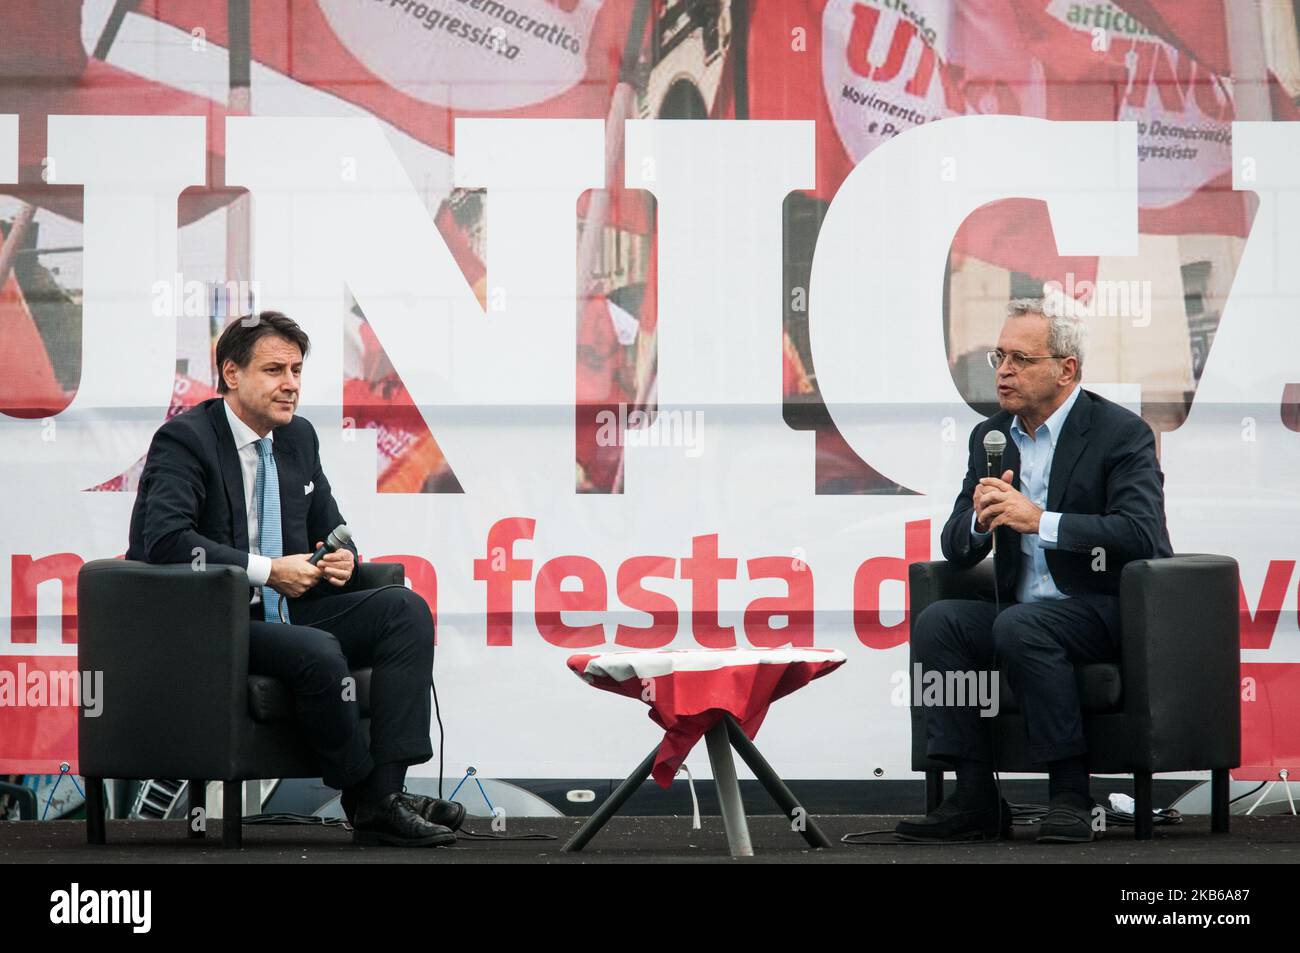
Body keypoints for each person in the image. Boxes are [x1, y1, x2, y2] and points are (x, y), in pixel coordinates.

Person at [126, 311, 464, 847]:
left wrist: (343, 560)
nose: (290, 385)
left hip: (291, 609)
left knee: (405, 610)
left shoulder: (298, 438)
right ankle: (372, 802)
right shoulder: (185, 439)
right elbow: (165, 541)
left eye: (297, 371)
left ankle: (387, 790)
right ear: (232, 374)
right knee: (317, 651)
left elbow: (332, 529)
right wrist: (266, 571)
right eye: (274, 370)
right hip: (213, 620)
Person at [895, 298, 1173, 844]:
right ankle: (975, 795)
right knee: (941, 622)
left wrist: (1040, 521)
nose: (1002, 370)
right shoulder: (992, 438)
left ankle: (1070, 793)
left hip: (1105, 608)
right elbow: (956, 547)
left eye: (1020, 358)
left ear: (1065, 369)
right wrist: (980, 519)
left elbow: (1141, 534)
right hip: (1021, 611)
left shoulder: (1119, 433)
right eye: (1000, 356)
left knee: (1021, 626)